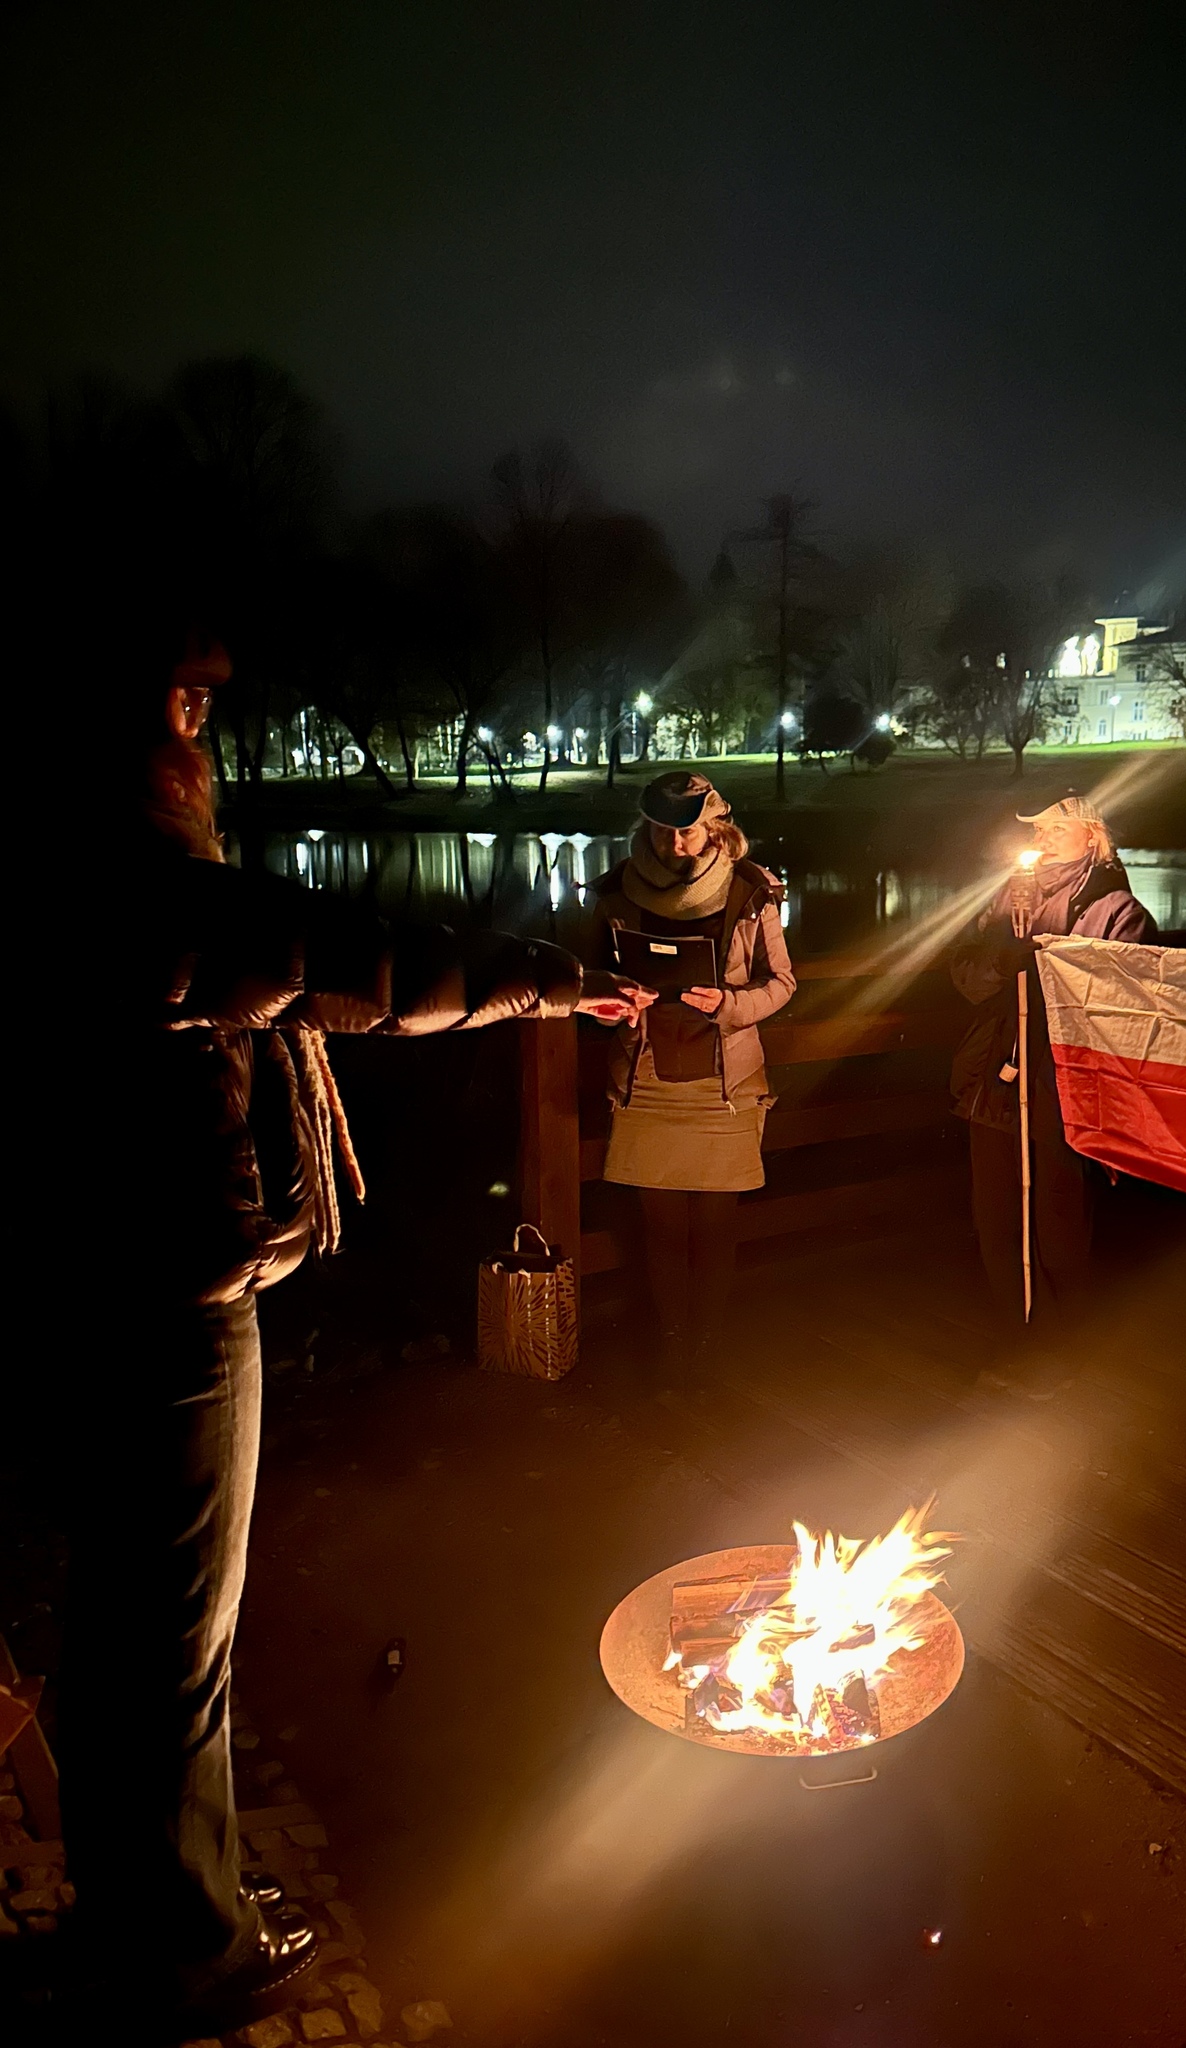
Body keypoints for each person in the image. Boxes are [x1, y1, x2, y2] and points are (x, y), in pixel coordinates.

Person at [57, 632, 647, 2035]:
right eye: (181, 704)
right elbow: (350, 962)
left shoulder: (85, 874)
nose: (198, 732)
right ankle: (185, 1946)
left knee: (128, 1623)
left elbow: (317, 962)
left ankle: (134, 1910)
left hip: (106, 1289)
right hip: (165, 1306)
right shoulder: (124, 888)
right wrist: (550, 982)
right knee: (171, 1641)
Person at [589, 771, 795, 1382]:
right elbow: (587, 981)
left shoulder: (751, 892)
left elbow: (781, 983)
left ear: (715, 826)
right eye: (662, 830)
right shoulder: (614, 893)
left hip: (724, 1088)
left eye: (689, 830)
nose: (675, 844)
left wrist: (729, 1005)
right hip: (647, 1078)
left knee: (713, 1228)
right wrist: (617, 1000)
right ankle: (672, 1352)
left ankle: (706, 1350)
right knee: (659, 1230)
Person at [950, 793, 1156, 1359]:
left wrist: (1052, 968)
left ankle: (1066, 1349)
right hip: (996, 1081)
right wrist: (1003, 958)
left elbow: (1126, 1004)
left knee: (1058, 1224)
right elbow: (965, 976)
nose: (1042, 838)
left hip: (1064, 1087)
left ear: (1092, 834)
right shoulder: (1007, 900)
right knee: (996, 1219)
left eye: (1056, 827)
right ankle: (1018, 1343)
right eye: (1037, 829)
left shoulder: (1115, 908)